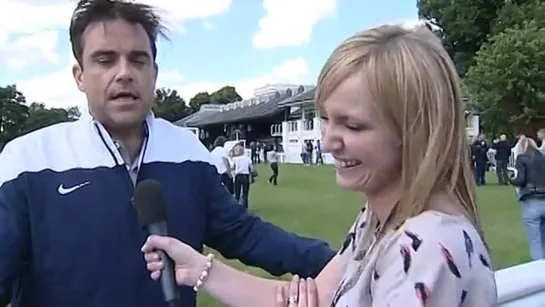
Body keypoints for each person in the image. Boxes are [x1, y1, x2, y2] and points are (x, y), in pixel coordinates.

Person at [0, 1, 335, 307]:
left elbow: (246, 234)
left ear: (154, 74)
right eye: (105, 59)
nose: (124, 72)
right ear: (80, 76)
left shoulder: (187, 151)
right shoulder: (27, 160)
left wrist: (340, 261)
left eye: (138, 59)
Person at [141, 24, 497, 306]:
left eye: (352, 125)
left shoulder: (428, 247)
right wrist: (199, 269)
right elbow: (314, 298)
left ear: (416, 130)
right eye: (326, 119)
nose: (328, 141)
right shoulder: (378, 219)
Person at [509, 136, 545, 260]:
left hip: (531, 200)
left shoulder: (522, 158)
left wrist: (511, 179)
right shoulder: (543, 158)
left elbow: (521, 179)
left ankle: (539, 270)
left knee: (535, 240)